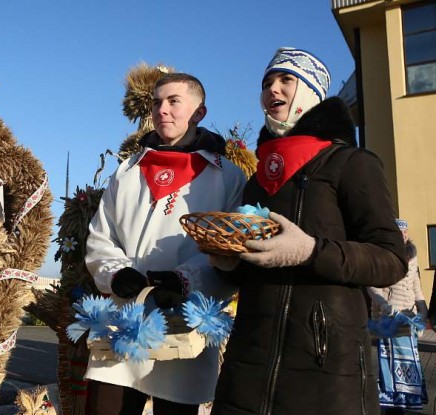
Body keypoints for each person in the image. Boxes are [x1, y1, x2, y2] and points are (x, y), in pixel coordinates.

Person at [208, 47, 408, 415]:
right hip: (248, 365)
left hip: (325, 370)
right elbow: (260, 267)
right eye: (267, 82)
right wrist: (230, 264)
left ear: (312, 92)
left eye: (286, 80)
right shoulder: (258, 181)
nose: (273, 90)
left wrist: (311, 251)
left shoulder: (352, 163)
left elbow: (391, 259)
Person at [84, 72, 246, 415]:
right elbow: (100, 235)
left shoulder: (228, 177)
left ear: (199, 112)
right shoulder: (126, 170)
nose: (163, 110)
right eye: (157, 102)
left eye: (174, 101)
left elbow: (229, 249)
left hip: (181, 327)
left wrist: (186, 280)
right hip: (122, 322)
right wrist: (116, 273)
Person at [367, 218, 428, 414]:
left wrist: (423, 310)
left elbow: (416, 286)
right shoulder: (383, 254)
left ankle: (409, 402)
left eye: (405, 232)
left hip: (409, 317)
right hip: (389, 319)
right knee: (391, 363)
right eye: (399, 231)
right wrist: (384, 305)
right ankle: (391, 404)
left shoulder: (413, 257)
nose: (403, 235)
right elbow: (372, 285)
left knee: (410, 362)